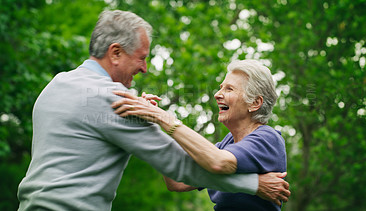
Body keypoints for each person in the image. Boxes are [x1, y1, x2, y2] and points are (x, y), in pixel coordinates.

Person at [17, 10, 290, 210]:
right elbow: (180, 173)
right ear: (115, 53)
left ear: (256, 102)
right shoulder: (117, 99)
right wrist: (255, 185)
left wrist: (159, 120)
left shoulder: (55, 85)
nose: (145, 68)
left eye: (229, 89)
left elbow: (211, 163)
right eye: (142, 58)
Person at [112, 59, 287, 210]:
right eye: (220, 88)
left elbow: (219, 162)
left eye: (229, 89)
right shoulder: (226, 144)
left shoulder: (267, 139)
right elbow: (176, 181)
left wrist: (163, 117)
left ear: (255, 103)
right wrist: (152, 122)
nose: (218, 94)